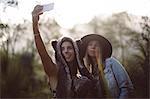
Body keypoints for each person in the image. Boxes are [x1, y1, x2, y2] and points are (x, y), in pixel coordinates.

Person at [32, 5, 94, 98]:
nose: (66, 51)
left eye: (69, 48)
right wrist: (35, 24)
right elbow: (43, 54)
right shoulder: (55, 73)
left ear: (76, 52)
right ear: (59, 53)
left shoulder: (83, 80)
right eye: (62, 48)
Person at [77, 34, 134, 98]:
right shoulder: (86, 70)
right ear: (86, 48)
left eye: (96, 45)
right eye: (90, 45)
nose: (93, 47)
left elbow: (126, 87)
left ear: (101, 49)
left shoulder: (111, 63)